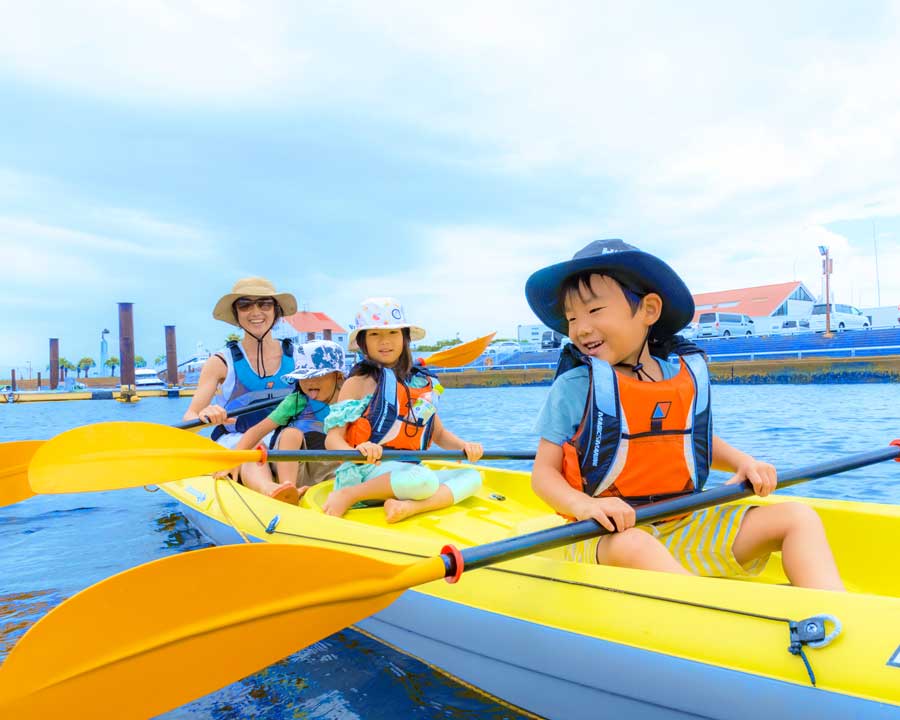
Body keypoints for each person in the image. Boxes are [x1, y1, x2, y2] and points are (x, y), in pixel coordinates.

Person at [527, 239, 844, 591]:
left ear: (649, 310)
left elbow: (694, 439)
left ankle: (832, 609)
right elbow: (543, 474)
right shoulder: (574, 386)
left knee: (797, 517)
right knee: (636, 544)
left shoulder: (679, 375)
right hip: (604, 535)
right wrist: (583, 506)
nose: (580, 328)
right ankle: (712, 612)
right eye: (572, 318)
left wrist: (744, 462)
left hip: (682, 525)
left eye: (595, 310)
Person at [323, 297, 484, 523]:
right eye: (374, 334)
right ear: (363, 342)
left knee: (472, 476)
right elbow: (332, 439)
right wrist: (358, 450)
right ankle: (349, 494)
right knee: (423, 480)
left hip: (406, 473)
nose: (385, 341)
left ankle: (409, 507)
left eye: (393, 332)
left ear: (405, 337)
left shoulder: (418, 383)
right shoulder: (357, 382)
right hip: (367, 471)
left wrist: (464, 446)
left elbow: (438, 433)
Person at [182, 278, 297, 462]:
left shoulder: (298, 357)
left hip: (286, 445)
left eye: (265, 304)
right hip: (237, 445)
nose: (256, 312)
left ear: (276, 310)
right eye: (245, 305)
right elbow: (190, 418)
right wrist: (205, 416)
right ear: (236, 314)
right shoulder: (220, 362)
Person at [230, 340, 346, 505]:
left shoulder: (352, 401)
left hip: (331, 472)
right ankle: (285, 490)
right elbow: (256, 431)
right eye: (303, 377)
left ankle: (314, 491)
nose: (309, 382)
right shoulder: (296, 401)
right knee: (270, 441)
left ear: (338, 376)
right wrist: (233, 461)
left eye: (316, 375)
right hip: (295, 467)